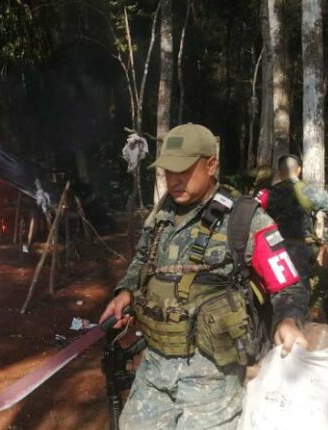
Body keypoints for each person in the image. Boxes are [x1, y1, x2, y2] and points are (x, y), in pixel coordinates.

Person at [99, 124, 309, 430]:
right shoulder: (162, 214)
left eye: (183, 170)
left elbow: (288, 283)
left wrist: (288, 320)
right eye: (168, 171)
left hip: (212, 379)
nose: (173, 180)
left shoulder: (245, 219)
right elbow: (143, 259)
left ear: (211, 165)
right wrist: (126, 292)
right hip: (155, 366)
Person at [265, 155, 328, 304]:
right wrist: (325, 241)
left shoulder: (269, 194)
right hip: (301, 250)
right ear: (299, 170)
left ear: (280, 172)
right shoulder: (310, 192)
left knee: (273, 294)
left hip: (273, 251)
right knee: (299, 296)